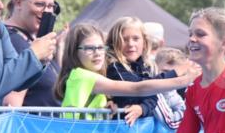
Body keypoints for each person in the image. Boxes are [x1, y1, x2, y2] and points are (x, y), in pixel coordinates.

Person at [54, 23, 196, 118]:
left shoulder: (91, 76)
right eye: (89, 48)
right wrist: (182, 78)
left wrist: (105, 105)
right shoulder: (82, 76)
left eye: (100, 47)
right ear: (74, 52)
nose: (97, 53)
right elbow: (138, 88)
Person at [2, 0, 64, 108]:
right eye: (40, 4)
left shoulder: (31, 40)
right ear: (18, 2)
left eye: (51, 6)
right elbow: (11, 104)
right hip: (28, 127)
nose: (47, 11)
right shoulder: (10, 40)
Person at [105, 16, 169, 126]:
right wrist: (175, 75)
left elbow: (153, 96)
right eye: (124, 39)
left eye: (136, 39)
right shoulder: (114, 66)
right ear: (114, 43)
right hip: (117, 130)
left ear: (144, 42)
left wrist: (142, 108)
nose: (130, 44)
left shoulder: (147, 66)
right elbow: (140, 89)